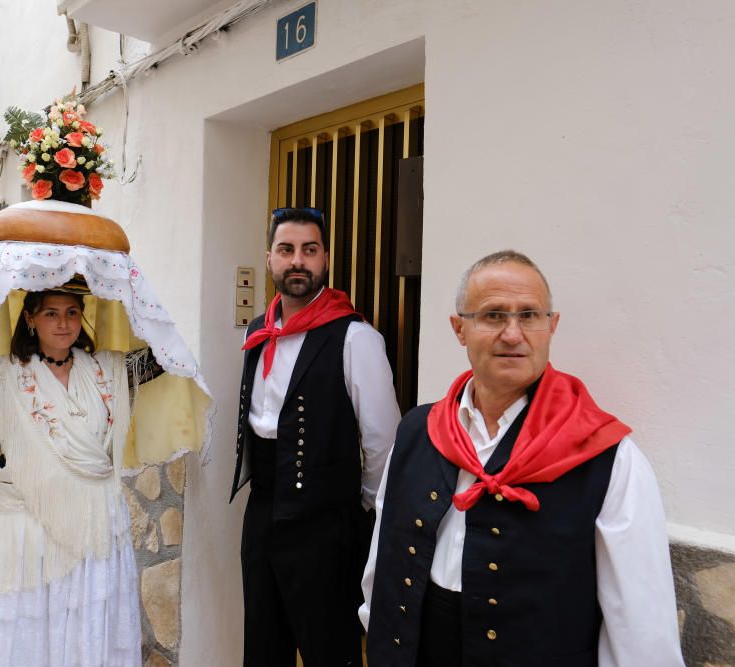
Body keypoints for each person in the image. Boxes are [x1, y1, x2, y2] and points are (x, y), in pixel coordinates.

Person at [360, 250, 684, 666]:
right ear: (460, 329)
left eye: (529, 315)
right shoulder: (418, 431)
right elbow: (382, 560)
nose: (513, 333)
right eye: (493, 315)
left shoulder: (609, 457)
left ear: (552, 326)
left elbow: (640, 625)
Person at [0, 284, 161, 666]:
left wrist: (127, 283)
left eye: (72, 312)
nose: (63, 323)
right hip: (26, 534)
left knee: (84, 632)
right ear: (30, 318)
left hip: (94, 528)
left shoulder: (109, 370)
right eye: (51, 313)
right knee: (26, 634)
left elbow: (166, 353)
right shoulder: (3, 375)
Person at [231, 207, 401, 666]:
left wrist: (356, 510)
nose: (298, 261)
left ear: (325, 259)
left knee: (330, 649)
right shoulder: (257, 331)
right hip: (263, 511)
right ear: (269, 259)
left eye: (310, 250)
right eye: (286, 250)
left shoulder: (355, 337)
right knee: (263, 645)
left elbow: (383, 441)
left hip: (325, 523)